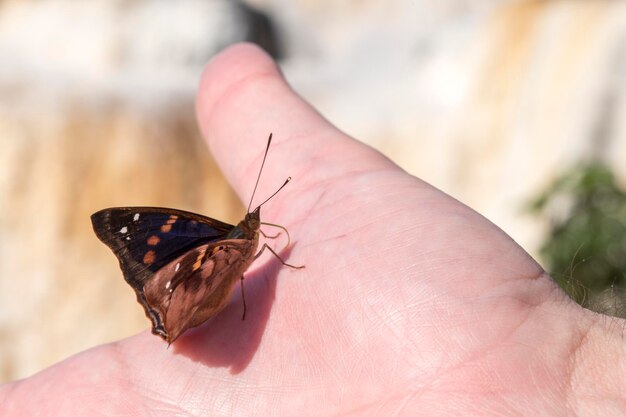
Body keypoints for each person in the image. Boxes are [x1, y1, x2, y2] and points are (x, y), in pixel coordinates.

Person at [1, 43, 624, 416]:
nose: (261, 223)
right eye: (257, 219)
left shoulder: (238, 241)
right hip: (187, 302)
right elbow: (205, 243)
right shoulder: (227, 241)